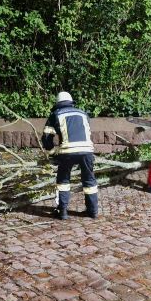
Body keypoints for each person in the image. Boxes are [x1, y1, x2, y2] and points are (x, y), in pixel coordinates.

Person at [41, 91, 98, 220]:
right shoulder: (83, 113)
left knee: (63, 180)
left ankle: (62, 211)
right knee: (89, 180)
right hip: (87, 151)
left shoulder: (55, 114)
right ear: (71, 102)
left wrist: (52, 153)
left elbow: (46, 138)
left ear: (58, 104)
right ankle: (93, 211)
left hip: (67, 152)